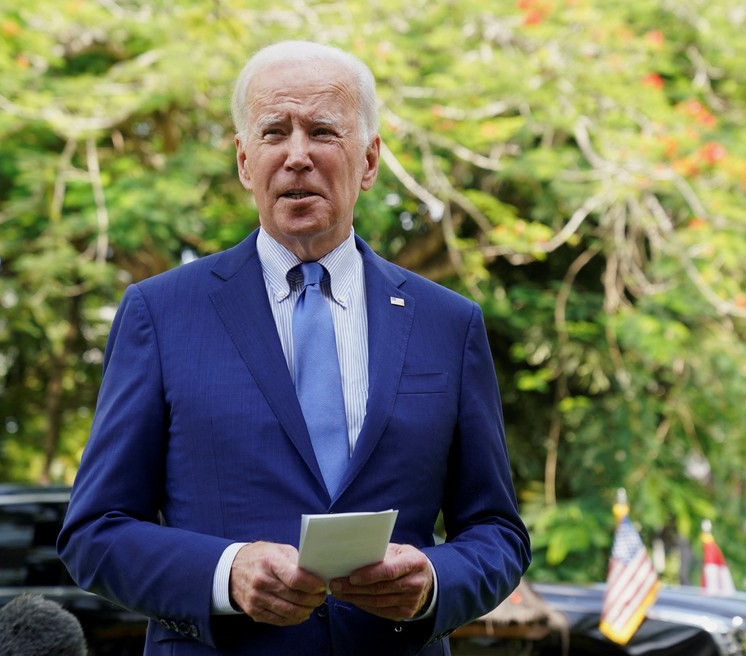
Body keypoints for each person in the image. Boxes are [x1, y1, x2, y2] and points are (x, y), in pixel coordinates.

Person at [58, 40, 531, 655]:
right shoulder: (161, 313)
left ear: (368, 161)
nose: (298, 155)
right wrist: (226, 573)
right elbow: (95, 531)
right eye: (274, 131)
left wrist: (435, 583)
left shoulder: (448, 322)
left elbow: (497, 531)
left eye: (324, 131)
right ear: (243, 160)